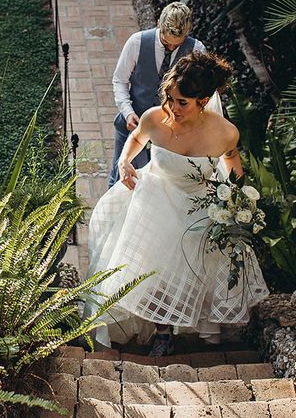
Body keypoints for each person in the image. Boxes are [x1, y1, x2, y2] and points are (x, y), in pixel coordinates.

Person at [87, 52, 269, 356]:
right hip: (155, 199)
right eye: (169, 98)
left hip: (199, 206)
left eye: (182, 102)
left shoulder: (225, 132)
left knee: (193, 270)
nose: (172, 107)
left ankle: (198, 330)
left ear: (204, 100)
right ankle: (163, 332)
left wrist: (240, 200)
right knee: (152, 269)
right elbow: (136, 138)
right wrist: (124, 161)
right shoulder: (155, 118)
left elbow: (232, 162)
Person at [108, 2, 206, 188]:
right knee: (120, 182)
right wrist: (127, 111)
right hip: (132, 126)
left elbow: (201, 94)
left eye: (176, 46)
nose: (170, 49)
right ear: (159, 25)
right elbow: (120, 80)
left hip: (171, 135)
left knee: (156, 188)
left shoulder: (197, 50)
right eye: (166, 43)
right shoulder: (137, 42)